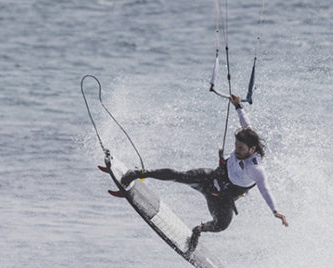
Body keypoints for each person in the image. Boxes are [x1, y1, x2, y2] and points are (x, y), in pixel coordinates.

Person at [119, 94, 288, 251]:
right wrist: (238, 106)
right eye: (236, 146)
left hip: (222, 199)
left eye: (241, 148)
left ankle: (198, 230)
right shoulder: (247, 139)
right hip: (209, 179)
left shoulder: (256, 168)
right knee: (179, 176)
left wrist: (275, 210)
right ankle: (139, 174)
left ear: (252, 149)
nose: (236, 151)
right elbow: (246, 123)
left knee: (221, 225)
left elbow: (265, 188)